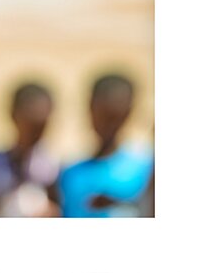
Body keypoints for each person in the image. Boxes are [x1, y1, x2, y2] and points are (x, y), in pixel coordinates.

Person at [57, 74, 154, 217]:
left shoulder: (145, 166)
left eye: (115, 118)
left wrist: (125, 205)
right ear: (90, 108)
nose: (109, 126)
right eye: (104, 116)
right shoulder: (69, 171)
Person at [0, 83, 60, 217]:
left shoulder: (52, 167)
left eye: (40, 125)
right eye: (30, 124)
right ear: (13, 115)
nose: (35, 132)